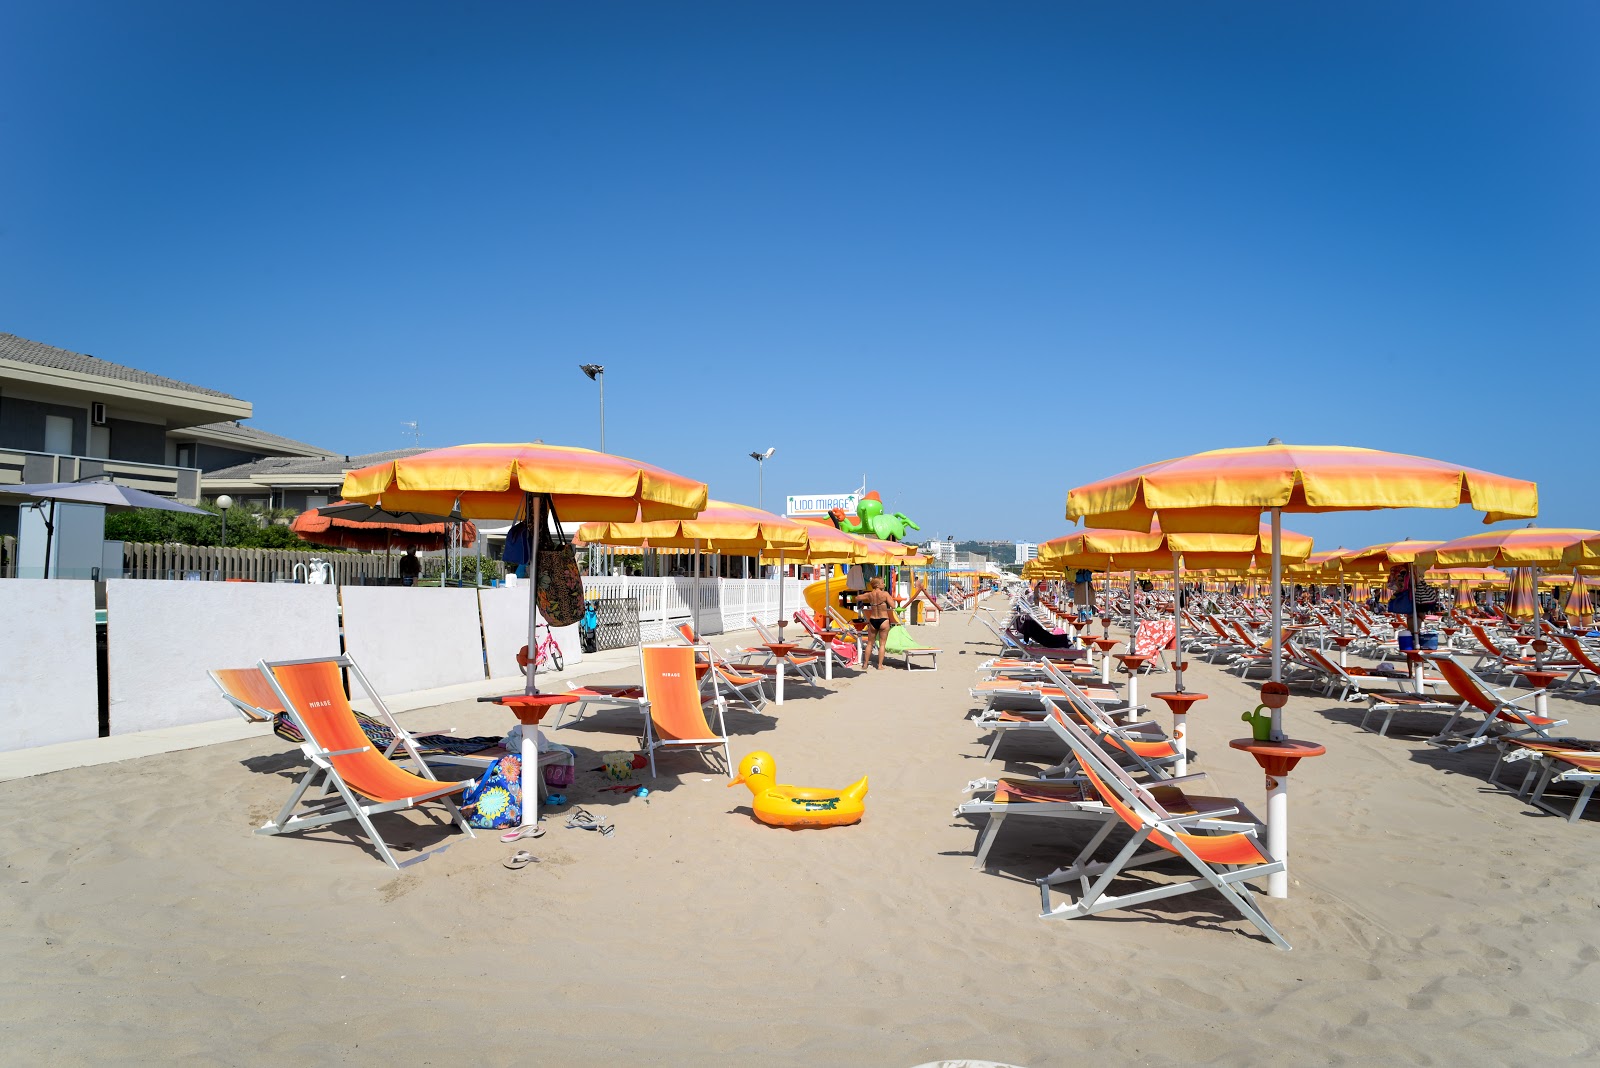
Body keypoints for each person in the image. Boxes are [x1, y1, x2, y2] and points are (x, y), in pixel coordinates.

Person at [857, 576, 899, 669]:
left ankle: (865, 664)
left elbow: (858, 598)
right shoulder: (885, 594)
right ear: (877, 585)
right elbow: (893, 606)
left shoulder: (869, 595)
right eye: (882, 583)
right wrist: (890, 600)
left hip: (873, 620)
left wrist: (860, 592)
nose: (884, 584)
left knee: (869, 643)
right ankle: (880, 665)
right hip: (883, 620)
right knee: (882, 644)